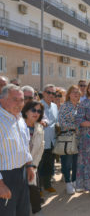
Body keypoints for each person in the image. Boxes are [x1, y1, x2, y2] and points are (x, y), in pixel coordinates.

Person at [0, 84, 34, 215]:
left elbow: (24, 144)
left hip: (22, 173)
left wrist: (29, 165)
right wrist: (0, 185)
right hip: (5, 177)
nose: (20, 103)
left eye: (22, 100)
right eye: (15, 99)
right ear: (2, 100)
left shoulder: (19, 118)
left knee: (23, 211)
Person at [22, 101, 45, 215]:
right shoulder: (18, 125)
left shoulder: (39, 127)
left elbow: (40, 148)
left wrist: (33, 165)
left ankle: (37, 211)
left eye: (39, 111)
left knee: (34, 189)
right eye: (33, 110)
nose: (36, 113)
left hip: (32, 165)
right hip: (18, 166)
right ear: (26, 111)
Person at [58, 85, 81, 195]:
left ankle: (75, 181)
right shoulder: (64, 106)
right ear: (69, 94)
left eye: (77, 92)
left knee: (76, 162)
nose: (76, 94)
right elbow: (61, 123)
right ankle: (68, 182)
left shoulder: (81, 106)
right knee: (67, 162)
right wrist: (74, 127)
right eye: (73, 92)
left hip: (79, 139)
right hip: (67, 138)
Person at [39, 84, 58, 193]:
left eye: (53, 93)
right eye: (49, 92)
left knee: (50, 164)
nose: (51, 95)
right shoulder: (38, 106)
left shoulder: (55, 106)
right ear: (44, 93)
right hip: (41, 141)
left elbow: (56, 121)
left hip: (52, 141)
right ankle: (39, 188)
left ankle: (47, 185)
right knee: (40, 166)